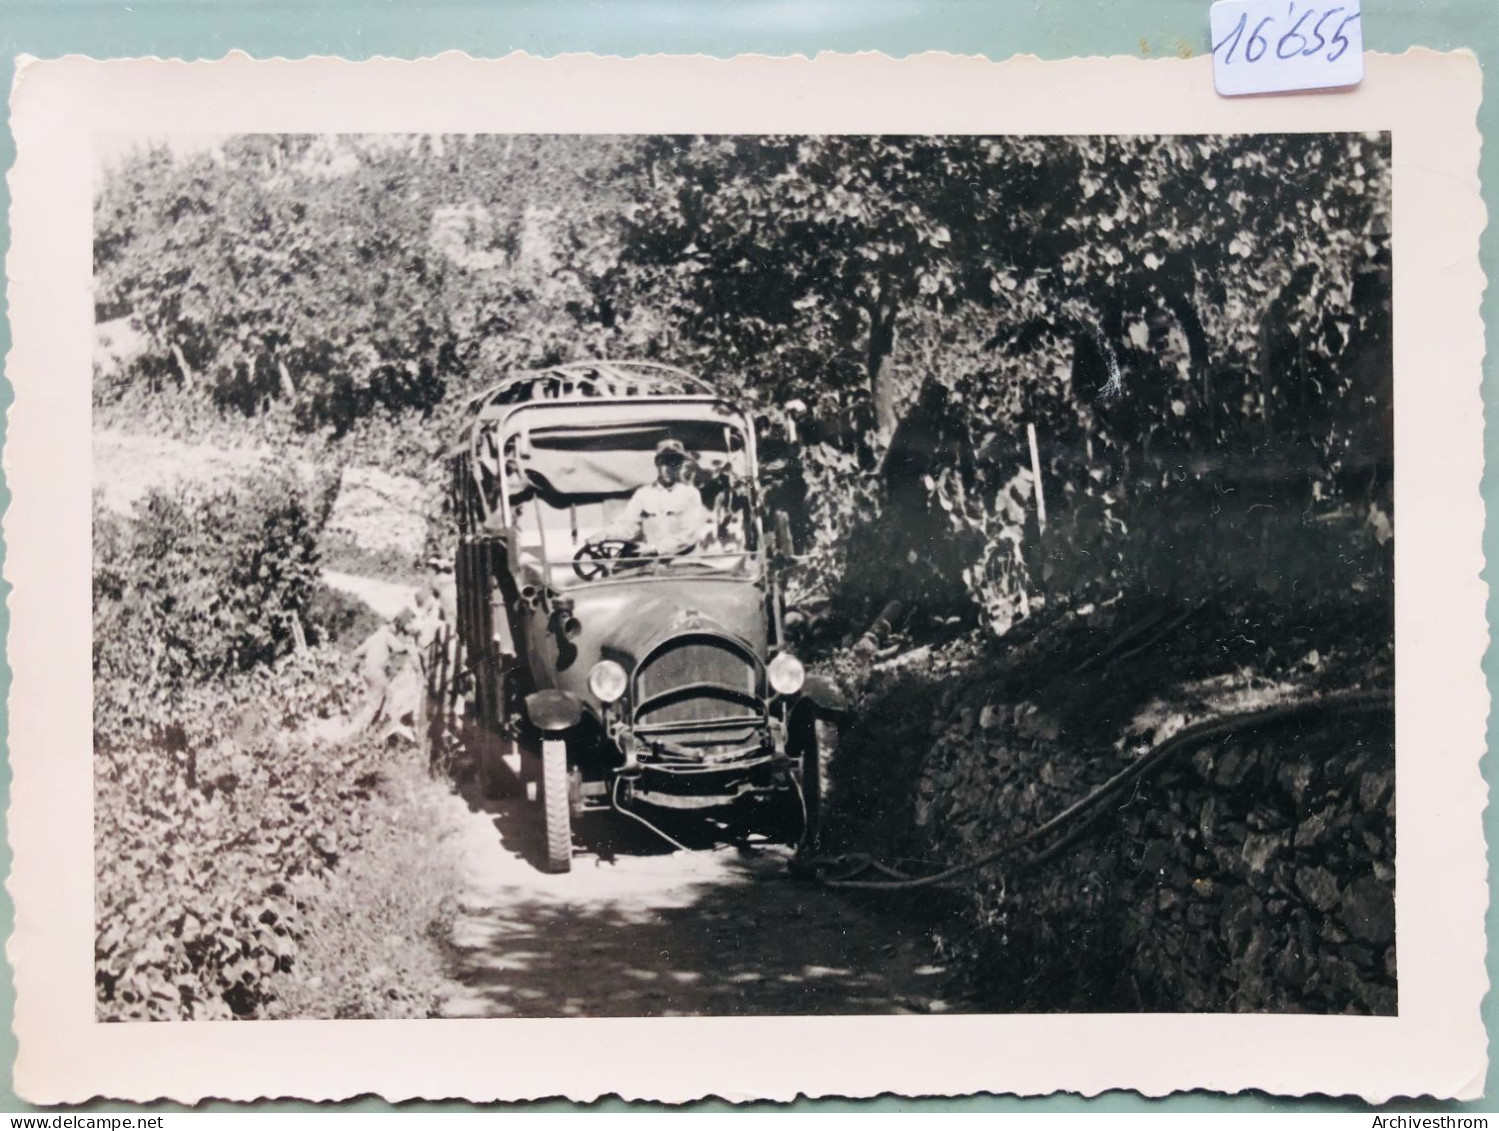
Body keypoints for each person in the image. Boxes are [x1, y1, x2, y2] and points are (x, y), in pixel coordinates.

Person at [602, 438, 712, 557]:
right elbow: (628, 526)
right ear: (657, 463)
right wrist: (604, 535)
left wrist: (655, 548)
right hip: (648, 562)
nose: (669, 468)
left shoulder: (690, 494)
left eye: (675, 461)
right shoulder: (643, 494)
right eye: (664, 461)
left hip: (682, 562)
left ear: (681, 465)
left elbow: (688, 535)